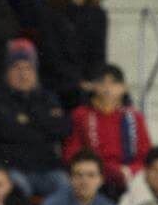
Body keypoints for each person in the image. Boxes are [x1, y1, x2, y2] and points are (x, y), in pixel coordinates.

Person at [0, 39, 70, 196]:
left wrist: (27, 119)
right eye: (16, 68)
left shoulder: (48, 97)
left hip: (47, 169)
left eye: (28, 68)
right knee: (19, 188)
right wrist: (42, 121)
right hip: (13, 169)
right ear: (7, 72)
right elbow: (3, 130)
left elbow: (62, 129)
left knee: (65, 186)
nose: (23, 74)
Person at [63, 64, 152, 194]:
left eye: (114, 83)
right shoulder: (81, 115)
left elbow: (146, 155)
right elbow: (72, 153)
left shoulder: (135, 117)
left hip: (127, 177)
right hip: (91, 178)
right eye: (102, 83)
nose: (107, 88)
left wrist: (128, 172)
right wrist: (98, 170)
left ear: (124, 88)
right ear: (93, 86)